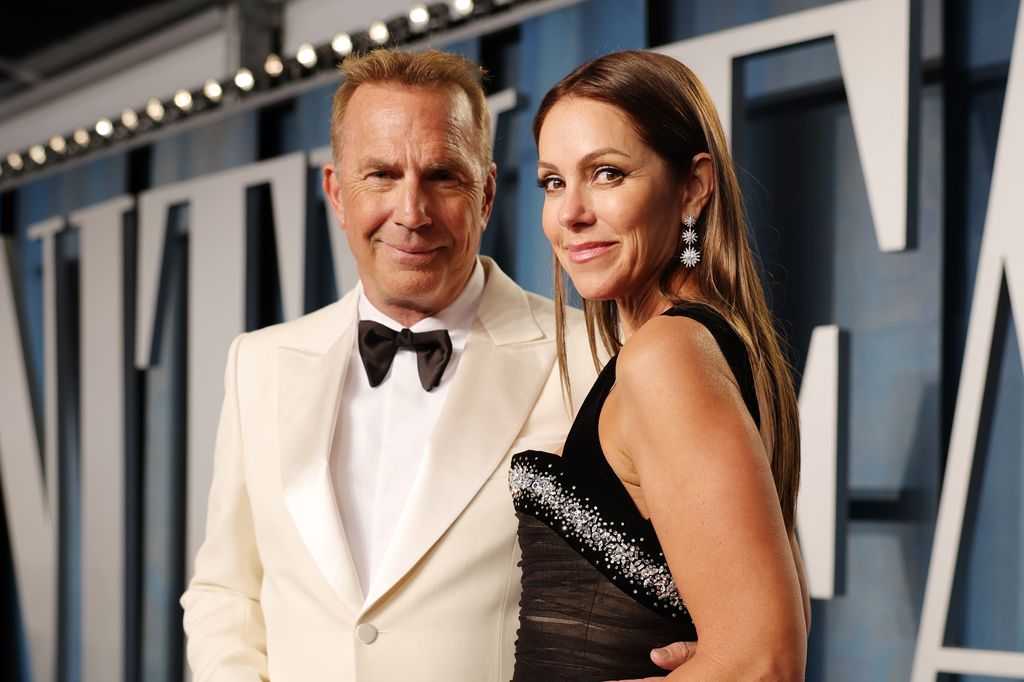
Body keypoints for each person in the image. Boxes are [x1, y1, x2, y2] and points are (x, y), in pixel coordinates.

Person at [180, 48, 695, 681]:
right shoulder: (255, 364)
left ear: (485, 195)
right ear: (337, 193)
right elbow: (227, 592)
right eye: (381, 175)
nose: (411, 213)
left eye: (443, 177)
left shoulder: (598, 358)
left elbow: (714, 592)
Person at [509, 50, 811, 681]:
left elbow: (766, 660)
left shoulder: (667, 357)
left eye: (608, 174)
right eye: (553, 181)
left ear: (693, 187)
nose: (570, 213)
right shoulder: (707, 346)